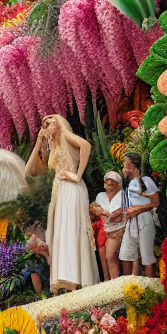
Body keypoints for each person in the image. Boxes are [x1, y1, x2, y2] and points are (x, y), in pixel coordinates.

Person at [25, 115, 98, 293]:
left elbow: (86, 146)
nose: (46, 125)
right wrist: (39, 141)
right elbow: (30, 170)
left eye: (49, 122)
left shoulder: (65, 135)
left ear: (58, 123)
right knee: (63, 232)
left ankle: (79, 278)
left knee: (72, 229)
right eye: (44, 123)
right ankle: (68, 279)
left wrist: (78, 175)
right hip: (59, 191)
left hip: (71, 187)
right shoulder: (52, 146)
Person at [119, 153, 159, 278]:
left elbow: (156, 202)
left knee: (147, 256)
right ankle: (127, 284)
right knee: (125, 254)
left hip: (145, 219)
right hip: (131, 221)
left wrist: (138, 209)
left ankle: (150, 284)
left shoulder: (146, 181)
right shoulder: (128, 183)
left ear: (132, 164)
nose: (123, 164)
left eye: (125, 162)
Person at [89, 171, 125, 282]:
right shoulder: (101, 196)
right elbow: (93, 208)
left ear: (118, 185)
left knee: (113, 256)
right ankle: (107, 280)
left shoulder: (122, 196)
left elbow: (118, 216)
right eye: (107, 182)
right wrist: (100, 211)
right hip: (105, 229)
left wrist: (104, 212)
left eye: (112, 183)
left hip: (120, 229)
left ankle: (118, 280)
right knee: (104, 252)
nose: (109, 184)